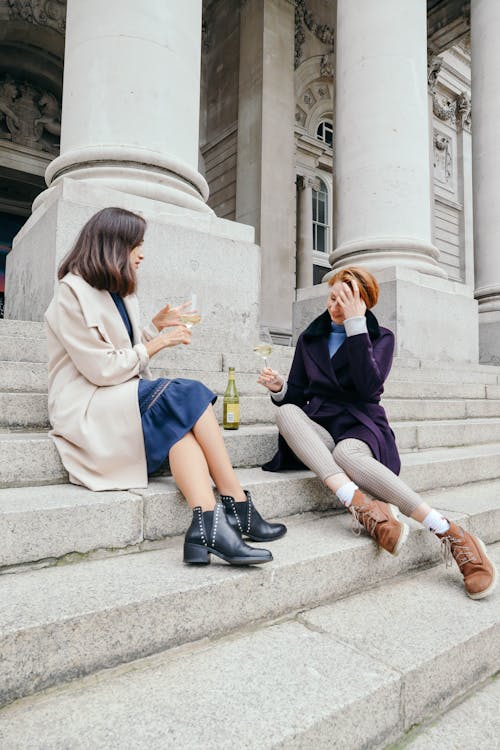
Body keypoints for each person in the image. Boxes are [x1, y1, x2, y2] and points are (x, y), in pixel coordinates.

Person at [45, 207, 286, 567]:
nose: (142, 254)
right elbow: (102, 369)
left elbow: (124, 354)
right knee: (186, 392)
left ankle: (207, 526)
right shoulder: (70, 293)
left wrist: (151, 329)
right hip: (88, 406)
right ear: (114, 245)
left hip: (120, 396)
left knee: (182, 432)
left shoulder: (121, 293)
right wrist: (160, 342)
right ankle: (236, 503)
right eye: (136, 245)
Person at [259, 266, 496, 599]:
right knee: (285, 411)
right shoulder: (309, 338)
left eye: (345, 299)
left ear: (363, 303)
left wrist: (356, 327)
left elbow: (369, 388)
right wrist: (281, 387)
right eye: (332, 297)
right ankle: (361, 505)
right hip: (321, 425)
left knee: (345, 453)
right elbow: (298, 394)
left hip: (362, 424)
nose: (334, 305)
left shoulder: (380, 336)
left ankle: (450, 532)